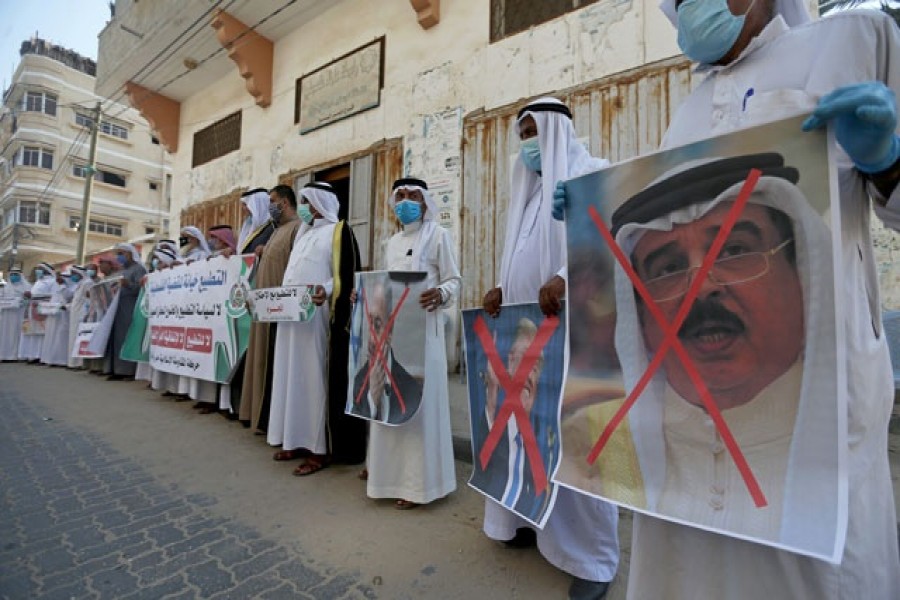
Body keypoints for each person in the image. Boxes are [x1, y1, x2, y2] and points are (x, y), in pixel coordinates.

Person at [556, 2, 900, 598]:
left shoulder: (854, 37)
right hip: (681, 455)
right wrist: (593, 220)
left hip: (823, 436)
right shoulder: (690, 107)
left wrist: (891, 163)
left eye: (734, 251)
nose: (702, 285)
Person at [562, 153, 841, 550]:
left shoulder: (843, 425)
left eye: (733, 251)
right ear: (640, 317)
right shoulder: (589, 438)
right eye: (668, 268)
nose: (702, 286)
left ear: (799, 275)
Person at [480, 97, 619, 600]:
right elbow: (518, 253)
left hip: (575, 335)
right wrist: (500, 288)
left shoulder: (591, 171)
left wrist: (564, 277)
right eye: (520, 135)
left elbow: (611, 238)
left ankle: (592, 560)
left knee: (576, 440)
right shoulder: (530, 190)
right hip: (525, 337)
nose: (527, 143)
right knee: (524, 433)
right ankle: (524, 520)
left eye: (532, 131)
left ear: (558, 130)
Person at [362, 177, 459, 510]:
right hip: (394, 334)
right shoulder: (391, 242)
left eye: (412, 196)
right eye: (399, 196)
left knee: (419, 406)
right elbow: (386, 286)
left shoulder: (439, 236)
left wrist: (441, 293)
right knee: (392, 401)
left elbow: (453, 280)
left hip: (425, 333)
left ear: (425, 200)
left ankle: (419, 485)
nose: (405, 201)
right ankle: (386, 475)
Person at [268, 181, 364, 475]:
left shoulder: (339, 232)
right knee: (290, 376)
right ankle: (294, 438)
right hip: (291, 318)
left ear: (322, 203)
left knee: (312, 380)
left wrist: (324, 289)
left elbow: (348, 276)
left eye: (309, 202)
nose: (305, 209)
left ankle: (318, 449)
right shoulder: (302, 234)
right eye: (304, 203)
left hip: (318, 319)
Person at [471, 317, 556, 522]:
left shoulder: (548, 443)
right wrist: (492, 397)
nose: (528, 374)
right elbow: (484, 465)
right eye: (524, 361)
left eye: (535, 367)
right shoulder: (492, 421)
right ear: (509, 361)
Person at [240, 184, 303, 433]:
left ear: (285, 203)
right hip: (264, 308)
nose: (270, 207)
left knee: (271, 362)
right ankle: (255, 415)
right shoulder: (276, 230)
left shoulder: (298, 229)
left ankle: (271, 422)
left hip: (280, 309)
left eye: (273, 201)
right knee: (259, 358)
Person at [351, 273, 424, 424]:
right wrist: (372, 398)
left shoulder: (411, 390)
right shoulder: (359, 381)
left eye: (377, 325)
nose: (371, 339)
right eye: (369, 324)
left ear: (390, 330)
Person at [106, 243, 147, 381]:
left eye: (122, 253)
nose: (120, 257)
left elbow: (141, 289)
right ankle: (116, 370)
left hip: (130, 308)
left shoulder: (139, 269)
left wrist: (127, 284)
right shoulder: (121, 270)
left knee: (126, 338)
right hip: (118, 307)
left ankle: (128, 371)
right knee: (117, 339)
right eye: (118, 254)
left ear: (130, 254)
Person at [19, 263, 60, 363]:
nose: (38, 271)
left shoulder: (52, 281)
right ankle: (31, 355)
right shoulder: (38, 282)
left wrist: (37, 298)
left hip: (42, 310)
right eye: (37, 269)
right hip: (32, 309)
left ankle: (39, 355)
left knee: (41, 333)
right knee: (31, 332)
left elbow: (53, 296)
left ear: (46, 271)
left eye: (40, 269)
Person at [40, 267, 78, 367]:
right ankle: (50, 359)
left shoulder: (73, 287)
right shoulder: (57, 287)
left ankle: (60, 360)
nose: (63, 280)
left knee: (61, 338)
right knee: (52, 337)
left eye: (65, 278)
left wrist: (62, 285)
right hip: (53, 316)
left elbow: (68, 296)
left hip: (64, 317)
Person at [67, 265, 94, 369]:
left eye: (74, 274)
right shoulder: (80, 283)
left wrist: (85, 313)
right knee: (74, 339)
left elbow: (90, 298)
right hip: (75, 315)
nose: (72, 276)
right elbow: (77, 300)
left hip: (82, 315)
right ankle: (73, 363)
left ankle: (79, 363)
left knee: (79, 339)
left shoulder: (88, 283)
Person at [0, 268, 29, 362]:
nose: (13, 277)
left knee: (16, 334)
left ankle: (16, 355)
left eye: (15, 274)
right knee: (5, 334)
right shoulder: (5, 287)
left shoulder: (26, 287)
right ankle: (4, 355)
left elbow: (29, 300)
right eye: (11, 275)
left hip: (19, 315)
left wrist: (23, 302)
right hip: (6, 316)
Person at [238, 187, 276, 254]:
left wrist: (265, 249)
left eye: (246, 205)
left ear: (258, 205)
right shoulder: (248, 227)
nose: (243, 208)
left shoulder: (273, 227)